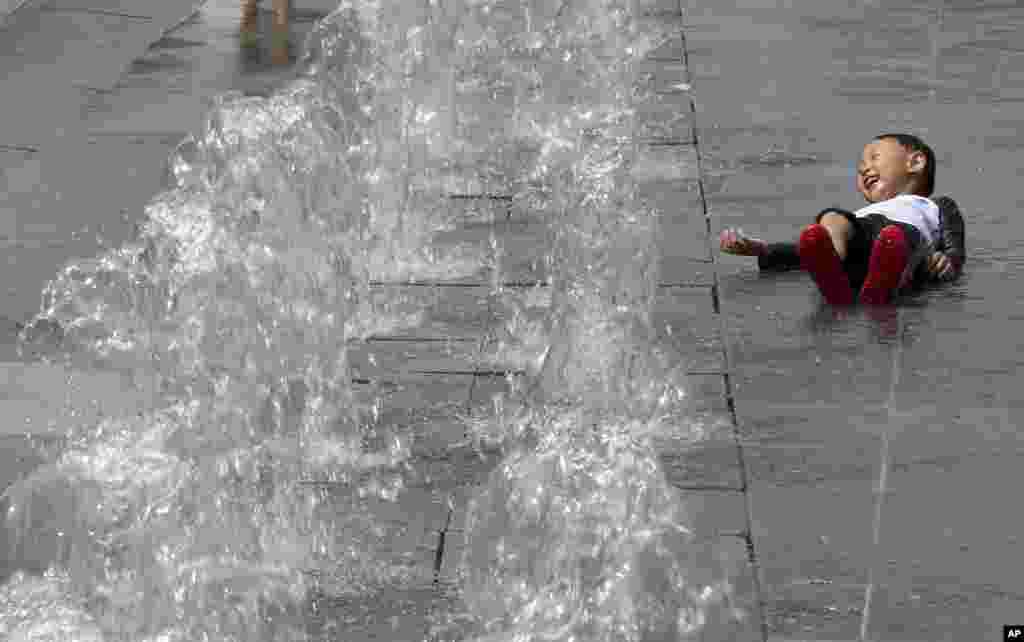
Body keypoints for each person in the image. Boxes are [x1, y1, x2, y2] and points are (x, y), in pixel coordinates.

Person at [719, 133, 966, 305]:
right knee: (832, 218)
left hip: (908, 249)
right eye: (861, 165)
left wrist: (948, 260)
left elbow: (955, 245)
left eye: (874, 157)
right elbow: (806, 250)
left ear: (915, 161)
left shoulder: (935, 205)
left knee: (895, 237)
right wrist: (762, 249)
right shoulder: (861, 215)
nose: (863, 168)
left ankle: (879, 283)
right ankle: (836, 273)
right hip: (862, 252)